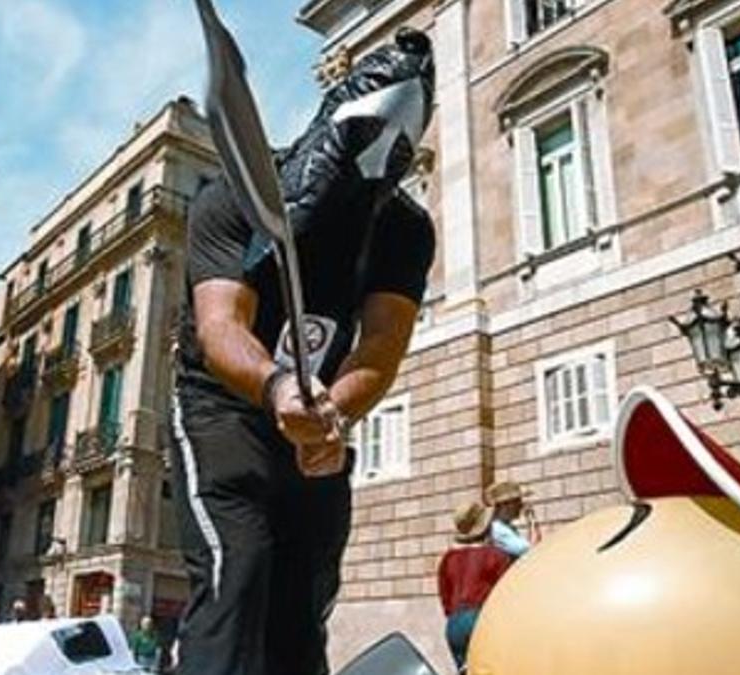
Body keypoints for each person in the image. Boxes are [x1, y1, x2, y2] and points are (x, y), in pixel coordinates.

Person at [171, 26, 436, 675]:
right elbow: (222, 326)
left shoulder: (403, 228)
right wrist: (277, 387)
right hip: (223, 405)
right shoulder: (231, 198)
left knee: (306, 585)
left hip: (320, 412)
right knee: (241, 565)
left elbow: (379, 345)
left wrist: (335, 410)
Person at [437, 502, 514, 672]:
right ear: (486, 528)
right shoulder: (496, 556)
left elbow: (445, 597)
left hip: (454, 624)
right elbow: (506, 594)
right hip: (481, 618)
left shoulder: (448, 558)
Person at [485, 481, 541, 558]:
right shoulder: (499, 530)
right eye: (517, 501)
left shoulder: (507, 527)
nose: (521, 505)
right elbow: (533, 551)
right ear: (504, 505)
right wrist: (531, 519)